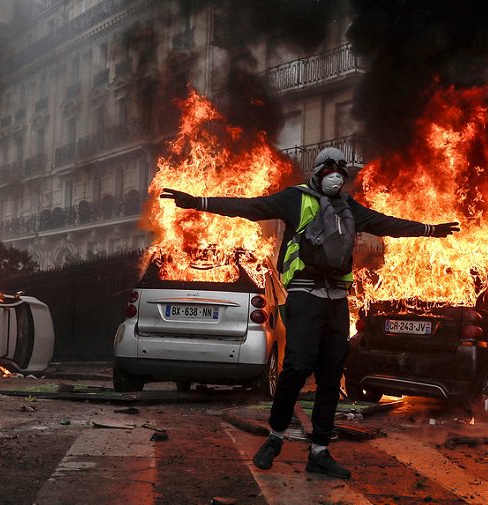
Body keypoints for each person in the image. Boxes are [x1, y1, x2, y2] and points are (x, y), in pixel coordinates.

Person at [161, 147, 459, 479]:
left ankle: (319, 451)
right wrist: (198, 202)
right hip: (304, 295)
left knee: (331, 374)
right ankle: (275, 436)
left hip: (336, 299)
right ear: (317, 172)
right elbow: (249, 207)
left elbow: (387, 224)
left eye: (340, 172)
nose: (336, 177)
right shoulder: (294, 199)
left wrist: (429, 230)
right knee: (297, 366)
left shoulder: (348, 207)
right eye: (330, 170)